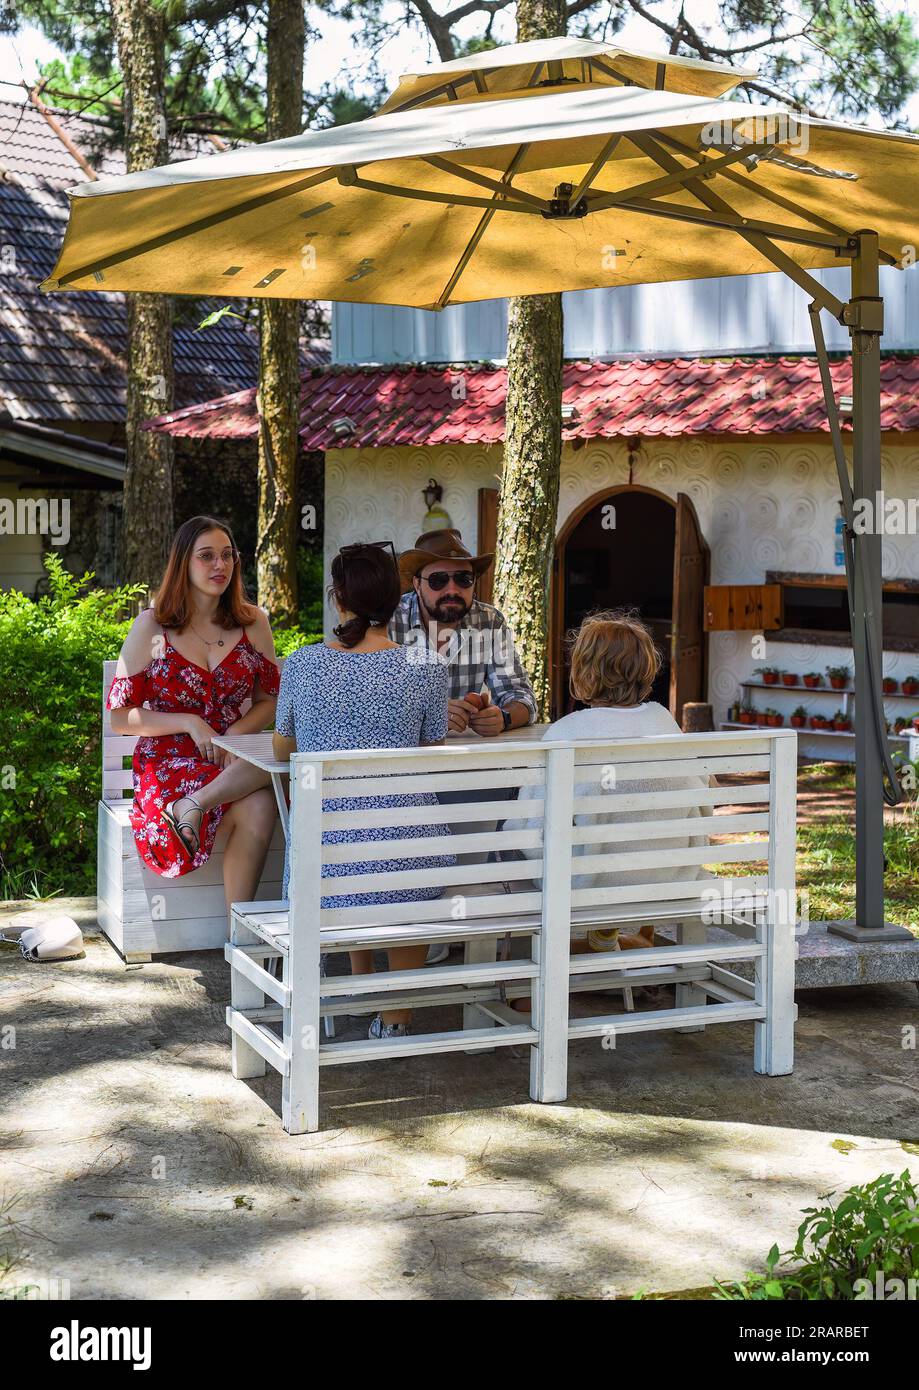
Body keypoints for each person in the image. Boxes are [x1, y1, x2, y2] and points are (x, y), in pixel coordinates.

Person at [271, 540, 456, 1041]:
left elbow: (284, 746)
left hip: (324, 868)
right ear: (397, 601)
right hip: (411, 861)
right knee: (398, 832)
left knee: (350, 828)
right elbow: (430, 744)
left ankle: (362, 982)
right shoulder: (426, 667)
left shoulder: (303, 665)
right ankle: (396, 1014)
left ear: (338, 598)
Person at [504, 609, 713, 1003]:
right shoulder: (667, 725)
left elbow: (528, 834)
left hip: (587, 890)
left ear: (583, 672)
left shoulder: (567, 733)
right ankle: (614, 945)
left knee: (524, 858)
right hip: (669, 880)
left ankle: (549, 968)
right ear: (647, 669)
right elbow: (700, 813)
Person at [106, 515, 281, 929]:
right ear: (183, 563)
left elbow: (271, 701)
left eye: (227, 556)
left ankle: (240, 938)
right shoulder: (153, 626)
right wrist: (189, 722)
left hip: (234, 757)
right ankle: (185, 803)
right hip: (169, 761)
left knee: (265, 795)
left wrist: (234, 735)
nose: (219, 565)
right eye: (206, 557)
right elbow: (120, 718)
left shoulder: (253, 622)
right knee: (266, 788)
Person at [389, 529, 537, 734]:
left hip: (466, 759)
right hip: (401, 757)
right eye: (438, 580)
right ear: (417, 584)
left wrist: (503, 718)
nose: (452, 589)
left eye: (463, 578)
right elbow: (366, 701)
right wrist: (428, 713)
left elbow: (521, 697)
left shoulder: (489, 621)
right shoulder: (389, 620)